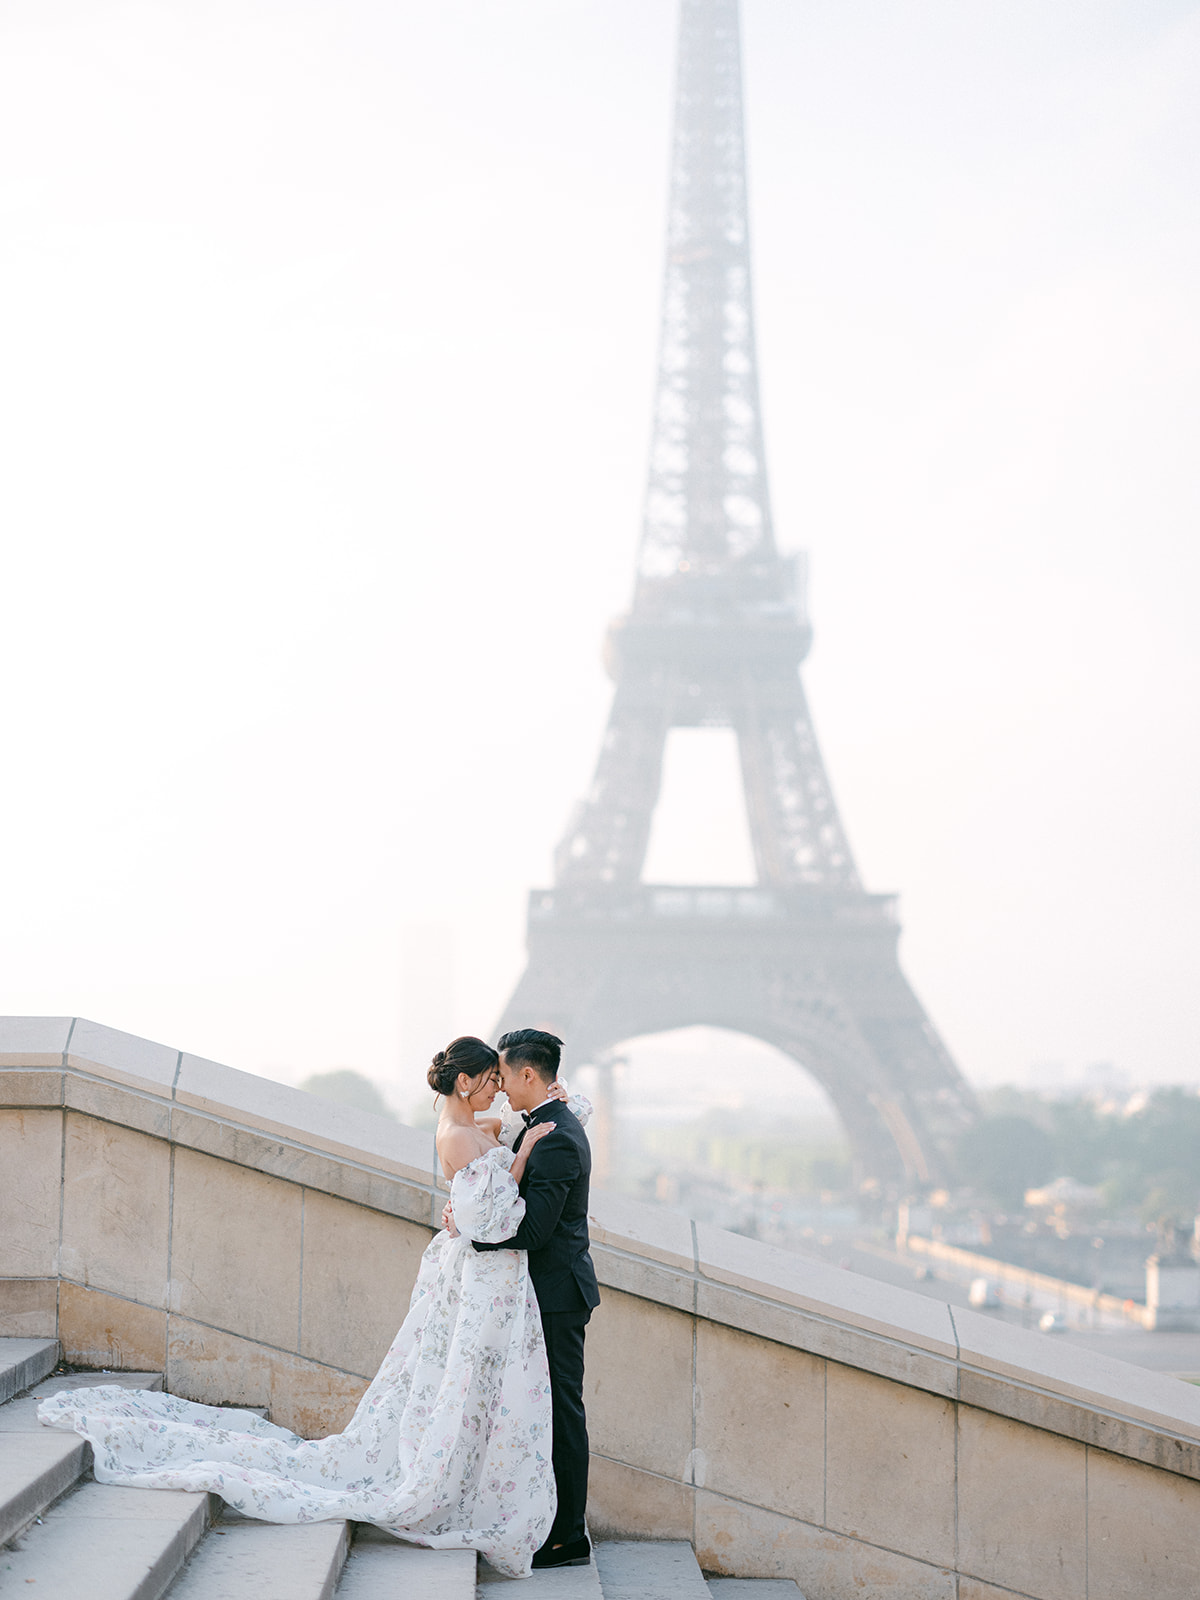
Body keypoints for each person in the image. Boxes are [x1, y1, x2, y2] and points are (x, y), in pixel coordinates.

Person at [38, 1036, 559, 1579]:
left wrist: (539, 1118)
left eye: (503, 1080)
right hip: (475, 1272)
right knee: (455, 1378)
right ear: (464, 1082)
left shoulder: (476, 1127)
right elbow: (490, 1218)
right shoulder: (454, 1136)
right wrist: (520, 1159)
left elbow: (492, 1160)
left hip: (483, 1275)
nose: (498, 1090)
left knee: (461, 1381)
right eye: (491, 1080)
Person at [453, 1028, 599, 1571]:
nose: (502, 1087)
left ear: (529, 1075)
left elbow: (535, 1230)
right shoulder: (550, 1122)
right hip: (552, 1290)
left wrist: (470, 1231)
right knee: (553, 1410)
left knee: (563, 1412)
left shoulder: (556, 1135)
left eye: (506, 1076)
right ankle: (552, 1524)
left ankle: (567, 1537)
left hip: (558, 1294)